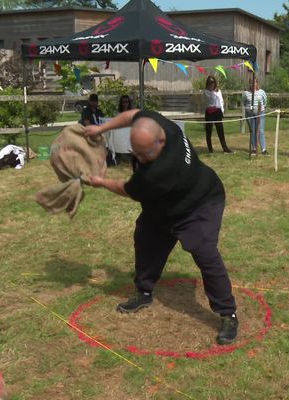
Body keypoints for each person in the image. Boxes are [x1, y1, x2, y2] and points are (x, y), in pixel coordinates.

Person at [84, 109, 239, 345]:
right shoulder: (158, 124)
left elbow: (126, 188)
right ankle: (144, 292)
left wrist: (101, 181)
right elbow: (134, 114)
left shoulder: (158, 172)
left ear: (161, 140)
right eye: (137, 153)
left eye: (146, 154)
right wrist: (102, 129)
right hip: (163, 206)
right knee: (146, 238)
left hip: (200, 203)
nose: (141, 158)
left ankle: (228, 314)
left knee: (203, 251)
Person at [204, 75, 233, 154]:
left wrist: (222, 110)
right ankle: (210, 149)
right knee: (208, 131)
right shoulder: (206, 92)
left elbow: (221, 100)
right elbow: (212, 99)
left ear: (215, 82)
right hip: (210, 112)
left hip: (218, 112)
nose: (211, 84)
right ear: (207, 83)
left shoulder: (218, 91)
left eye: (212, 82)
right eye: (210, 82)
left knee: (220, 131)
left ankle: (225, 148)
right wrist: (213, 91)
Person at [242, 78, 268, 155]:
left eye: (254, 83)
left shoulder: (261, 92)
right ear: (249, 84)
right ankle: (254, 148)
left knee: (260, 131)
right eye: (251, 83)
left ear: (257, 83)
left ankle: (264, 149)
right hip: (250, 114)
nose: (253, 85)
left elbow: (265, 101)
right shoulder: (246, 93)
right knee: (252, 131)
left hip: (260, 113)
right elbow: (244, 102)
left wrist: (261, 108)